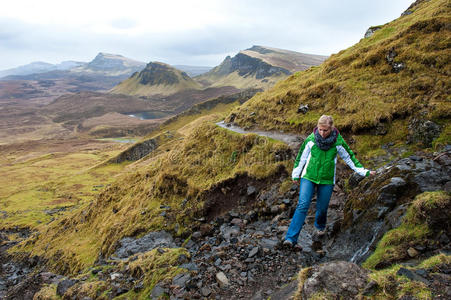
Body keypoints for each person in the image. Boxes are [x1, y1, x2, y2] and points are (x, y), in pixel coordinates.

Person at [284, 115, 375, 249]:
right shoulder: (311, 140)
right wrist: (296, 175)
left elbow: (350, 158)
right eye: (320, 129)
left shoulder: (338, 142)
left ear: (331, 129)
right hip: (308, 176)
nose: (322, 133)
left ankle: (320, 227)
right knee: (303, 204)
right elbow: (301, 158)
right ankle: (290, 239)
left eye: (325, 130)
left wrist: (364, 172)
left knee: (322, 208)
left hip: (327, 180)